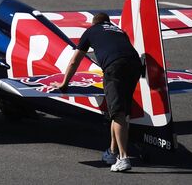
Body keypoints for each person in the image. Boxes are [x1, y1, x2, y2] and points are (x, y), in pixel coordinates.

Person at [55, 12, 141, 172]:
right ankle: (112, 152)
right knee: (119, 113)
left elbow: (75, 61)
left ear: (94, 23)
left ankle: (123, 158)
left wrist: (65, 83)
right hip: (135, 65)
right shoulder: (119, 30)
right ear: (108, 22)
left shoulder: (91, 31)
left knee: (118, 113)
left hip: (114, 67)